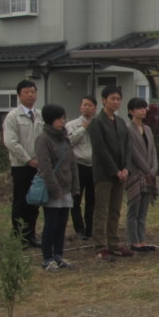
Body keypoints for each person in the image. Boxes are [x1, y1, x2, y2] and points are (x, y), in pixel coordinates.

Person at [88, 86, 134, 259]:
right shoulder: (97, 122)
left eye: (118, 99)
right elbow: (100, 149)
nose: (116, 102)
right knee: (101, 209)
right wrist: (115, 170)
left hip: (121, 173)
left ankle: (114, 243)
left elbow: (127, 147)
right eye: (112, 98)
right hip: (104, 173)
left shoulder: (121, 122)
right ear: (104, 100)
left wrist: (125, 168)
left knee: (115, 209)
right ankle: (100, 245)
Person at [34, 104, 79, 271]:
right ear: (51, 120)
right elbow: (45, 167)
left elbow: (72, 163)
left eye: (64, 118)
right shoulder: (43, 139)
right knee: (51, 224)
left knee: (62, 224)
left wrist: (75, 186)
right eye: (60, 118)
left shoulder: (65, 138)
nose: (63, 122)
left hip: (66, 187)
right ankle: (47, 258)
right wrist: (55, 190)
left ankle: (59, 255)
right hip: (53, 189)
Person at [2, 80, 44, 248]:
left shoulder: (40, 115)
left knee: (34, 201)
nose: (30, 95)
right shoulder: (13, 116)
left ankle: (31, 234)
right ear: (19, 95)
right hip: (21, 165)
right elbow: (11, 142)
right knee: (21, 201)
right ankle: (19, 236)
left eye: (33, 91)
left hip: (38, 166)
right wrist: (28, 159)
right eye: (27, 92)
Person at [125, 97, 158, 252]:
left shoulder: (148, 130)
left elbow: (153, 152)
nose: (143, 110)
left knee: (143, 210)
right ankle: (133, 240)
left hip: (149, 176)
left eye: (144, 108)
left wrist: (153, 169)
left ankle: (142, 239)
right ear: (131, 111)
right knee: (134, 208)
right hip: (136, 174)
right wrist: (147, 170)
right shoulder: (128, 129)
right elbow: (134, 153)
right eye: (139, 108)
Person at [66, 96, 97, 240]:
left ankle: (90, 229)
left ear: (95, 108)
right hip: (78, 165)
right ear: (80, 107)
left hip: (94, 166)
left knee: (92, 200)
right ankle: (79, 229)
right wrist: (83, 129)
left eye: (90, 105)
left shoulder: (98, 123)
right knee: (76, 199)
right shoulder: (71, 125)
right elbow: (69, 142)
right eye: (85, 105)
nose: (87, 108)